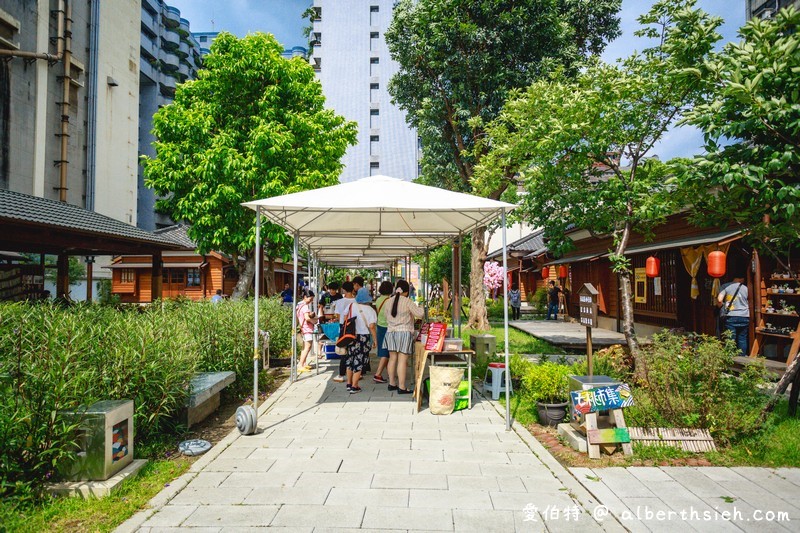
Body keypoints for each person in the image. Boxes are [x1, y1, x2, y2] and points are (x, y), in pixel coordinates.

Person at [383, 279, 424, 394]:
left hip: (390, 332)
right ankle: (401, 387)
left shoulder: (388, 301)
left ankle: (392, 383)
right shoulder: (407, 301)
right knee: (402, 360)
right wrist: (420, 307)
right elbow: (420, 314)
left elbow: (386, 316)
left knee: (392, 358)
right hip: (404, 332)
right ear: (406, 291)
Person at [346, 289, 378, 393]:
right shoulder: (370, 310)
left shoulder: (351, 306)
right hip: (363, 337)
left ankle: (349, 383)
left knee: (350, 359)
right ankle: (355, 386)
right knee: (359, 360)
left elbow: (345, 319)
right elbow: (372, 326)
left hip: (351, 336)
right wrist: (375, 340)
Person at [718, 273, 750, 355]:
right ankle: (742, 358)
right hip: (744, 315)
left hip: (731, 315)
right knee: (742, 338)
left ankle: (730, 358)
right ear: (740, 279)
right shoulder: (746, 288)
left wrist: (722, 307)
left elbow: (719, 300)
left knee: (730, 338)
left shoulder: (725, 286)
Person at [332, 281, 357, 383]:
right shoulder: (356, 301)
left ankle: (341, 374)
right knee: (354, 351)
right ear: (353, 289)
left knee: (343, 351)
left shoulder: (340, 302)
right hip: (355, 327)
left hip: (343, 327)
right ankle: (355, 373)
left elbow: (338, 316)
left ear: (343, 290)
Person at [372, 280, 394, 384]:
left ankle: (389, 373)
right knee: (386, 352)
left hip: (379, 326)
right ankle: (378, 374)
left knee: (383, 350)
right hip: (388, 327)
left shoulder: (378, 300)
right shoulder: (390, 301)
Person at [296, 289, 318, 372]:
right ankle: (301, 365)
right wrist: (315, 322)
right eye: (310, 299)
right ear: (305, 297)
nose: (311, 301)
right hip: (306, 328)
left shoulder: (299, 305)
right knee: (307, 347)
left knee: (305, 347)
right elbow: (307, 318)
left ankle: (303, 363)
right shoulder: (305, 306)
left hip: (303, 328)